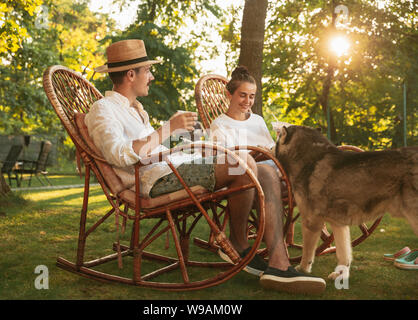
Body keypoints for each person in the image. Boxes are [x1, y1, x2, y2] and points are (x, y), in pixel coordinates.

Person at [85, 39, 325, 294]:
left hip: (176, 167)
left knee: (263, 169)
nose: (151, 76)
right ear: (131, 75)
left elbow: (151, 148)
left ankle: (278, 265)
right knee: (240, 163)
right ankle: (238, 243)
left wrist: (187, 145)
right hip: (158, 181)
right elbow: (118, 154)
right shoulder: (103, 109)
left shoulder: (136, 111)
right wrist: (169, 128)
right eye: (147, 71)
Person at [210, 66, 325, 293]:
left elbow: (272, 150)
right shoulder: (219, 125)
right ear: (229, 94)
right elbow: (227, 162)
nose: (247, 101)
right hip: (244, 179)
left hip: (272, 170)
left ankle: (278, 263)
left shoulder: (258, 121)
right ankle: (279, 265)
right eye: (242, 95)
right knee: (266, 171)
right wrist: (256, 154)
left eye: (252, 96)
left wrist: (277, 146)